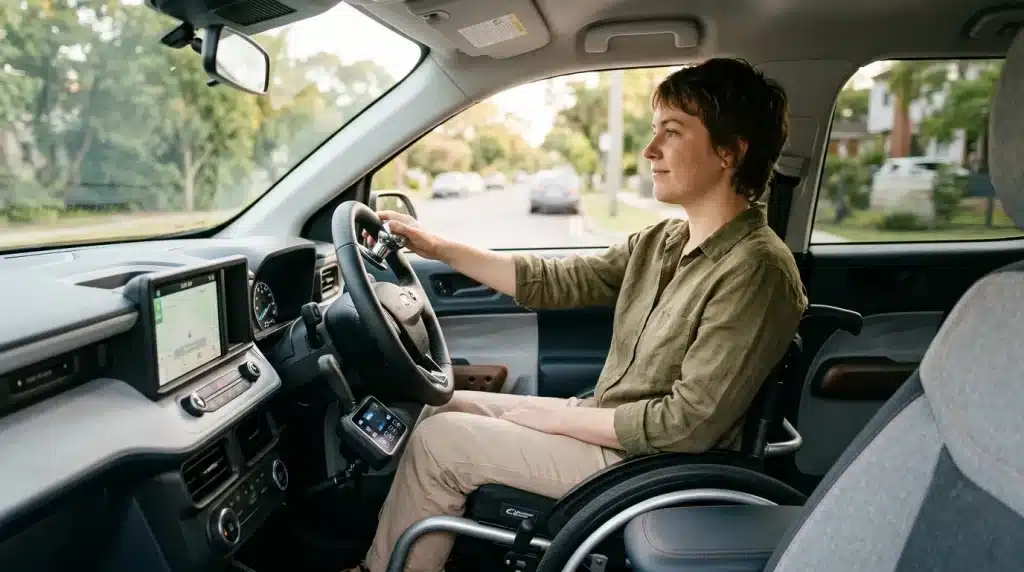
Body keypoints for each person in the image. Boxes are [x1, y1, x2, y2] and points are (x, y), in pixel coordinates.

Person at [348, 57, 808, 572]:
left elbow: (688, 426)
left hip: (650, 466)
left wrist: (558, 417)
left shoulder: (757, 269)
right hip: (609, 428)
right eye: (655, 130)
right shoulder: (663, 240)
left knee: (440, 444)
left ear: (730, 151)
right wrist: (435, 247)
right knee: (441, 406)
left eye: (672, 132)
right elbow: (555, 280)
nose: (650, 149)